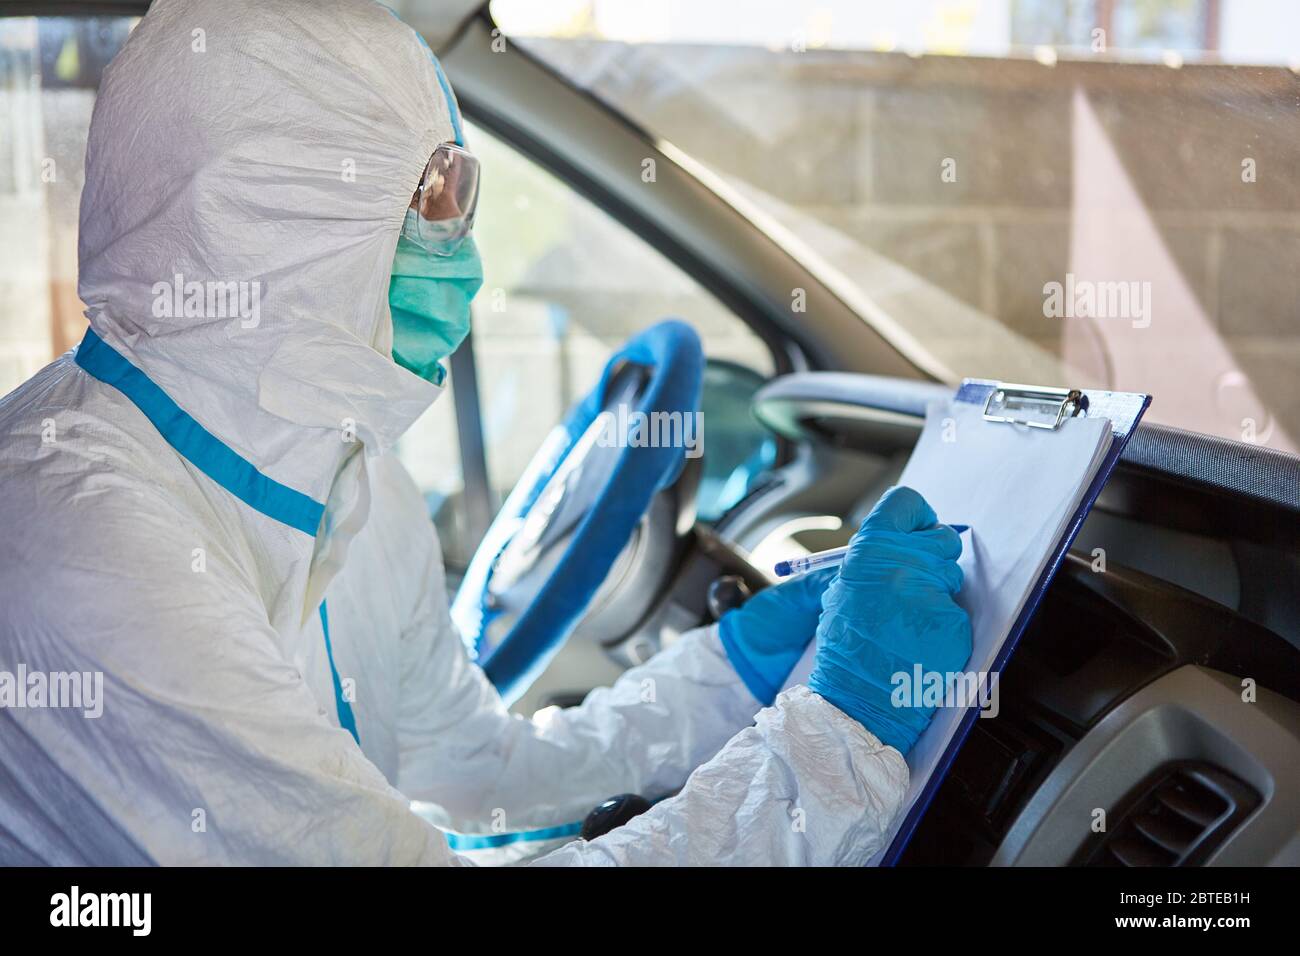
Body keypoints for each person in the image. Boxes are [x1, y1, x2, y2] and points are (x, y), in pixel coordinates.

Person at [0, 0, 971, 866]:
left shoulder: (340, 475)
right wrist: (838, 741)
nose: (462, 252)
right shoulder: (77, 543)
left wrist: (732, 667)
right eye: (432, 196)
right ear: (280, 217)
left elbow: (476, 769)